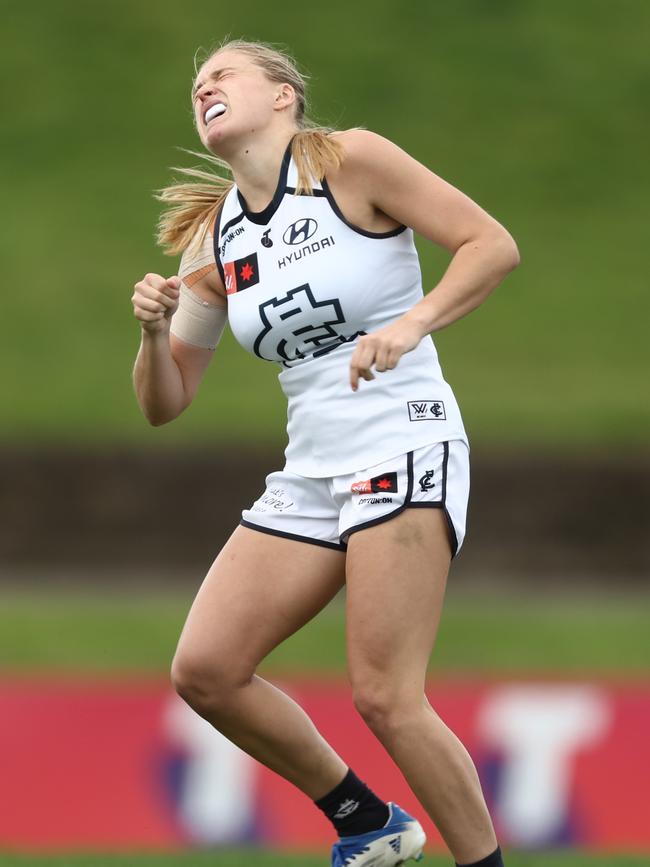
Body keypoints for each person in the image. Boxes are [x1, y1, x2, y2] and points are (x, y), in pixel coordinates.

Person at [131, 38, 519, 867]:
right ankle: (367, 819)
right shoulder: (214, 237)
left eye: (223, 74)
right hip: (313, 469)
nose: (204, 87)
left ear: (283, 96)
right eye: (195, 84)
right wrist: (154, 331)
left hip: (404, 437)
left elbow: (490, 244)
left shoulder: (352, 161)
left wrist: (411, 323)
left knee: (385, 694)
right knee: (205, 667)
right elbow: (167, 400)